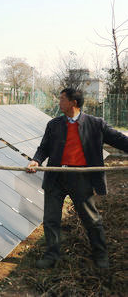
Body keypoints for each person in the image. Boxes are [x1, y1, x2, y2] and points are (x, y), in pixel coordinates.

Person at [27, 88, 128, 269]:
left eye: (62, 99)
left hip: (81, 178)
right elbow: (44, 148)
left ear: (73, 102)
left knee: (91, 219)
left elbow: (119, 139)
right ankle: (52, 256)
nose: (59, 102)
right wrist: (35, 161)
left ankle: (100, 255)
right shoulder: (54, 124)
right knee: (51, 219)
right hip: (56, 176)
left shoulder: (95, 123)